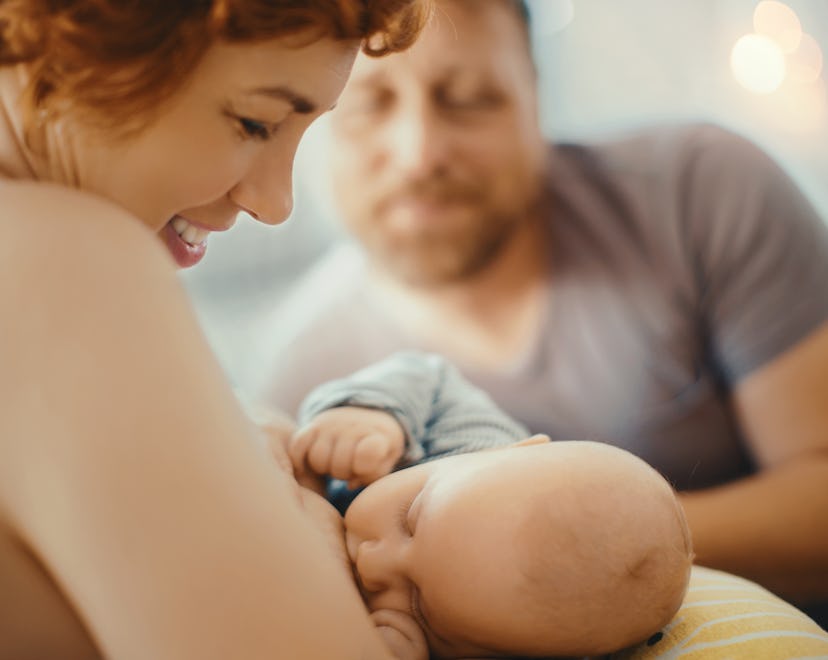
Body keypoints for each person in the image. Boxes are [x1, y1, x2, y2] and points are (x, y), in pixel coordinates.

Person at [249, 0, 828, 626]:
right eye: (367, 104)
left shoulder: (701, 192)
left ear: (535, 96)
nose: (420, 152)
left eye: (469, 99)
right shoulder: (301, 381)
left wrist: (567, 547)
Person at [0, 1, 431, 658]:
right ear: (78, 43)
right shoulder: (63, 262)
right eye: (255, 123)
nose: (277, 204)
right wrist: (317, 536)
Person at [286, 350, 693, 659]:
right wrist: (370, 414)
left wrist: (391, 639)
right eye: (409, 519)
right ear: (517, 450)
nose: (372, 564)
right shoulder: (471, 439)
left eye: (419, 607)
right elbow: (426, 373)